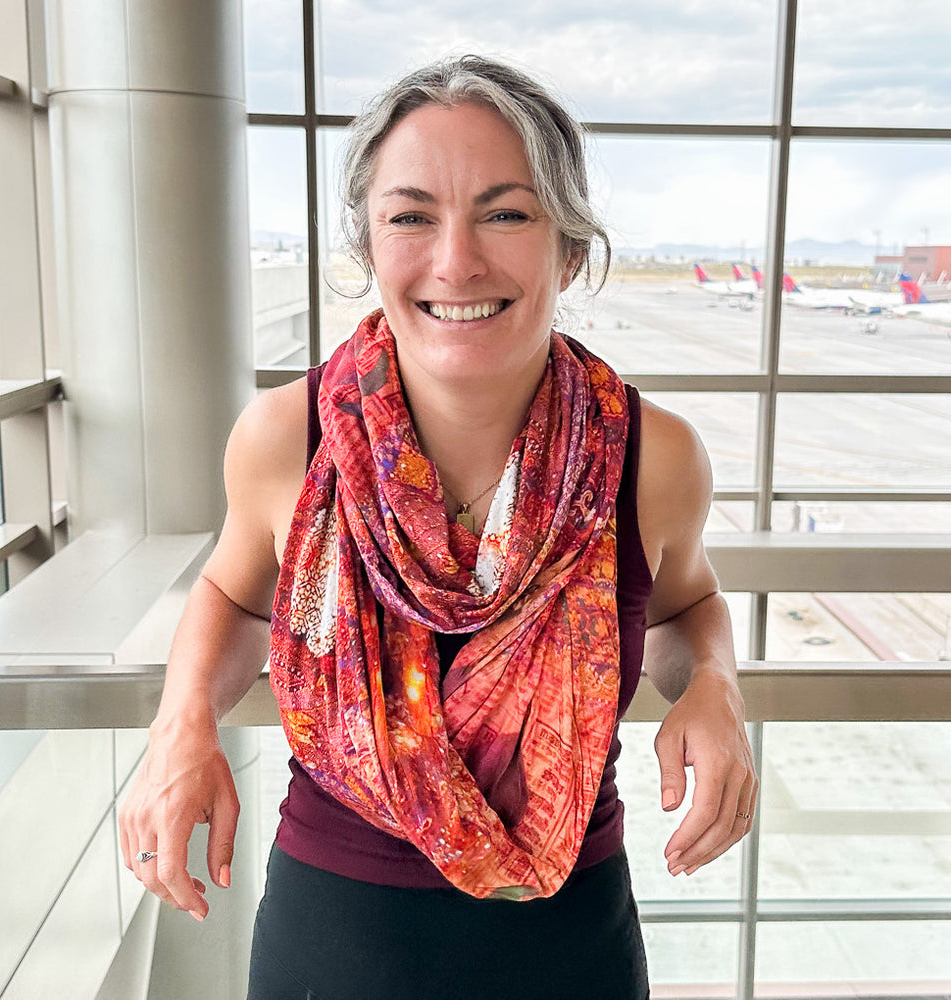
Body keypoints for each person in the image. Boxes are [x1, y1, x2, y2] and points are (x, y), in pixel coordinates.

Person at [119, 55, 757, 1000]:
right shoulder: (289, 441)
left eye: (507, 214)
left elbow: (686, 605)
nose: (456, 262)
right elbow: (234, 594)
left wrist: (715, 684)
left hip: (569, 944)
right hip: (334, 939)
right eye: (411, 217)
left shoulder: (648, 457)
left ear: (568, 249)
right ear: (370, 245)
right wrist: (182, 724)